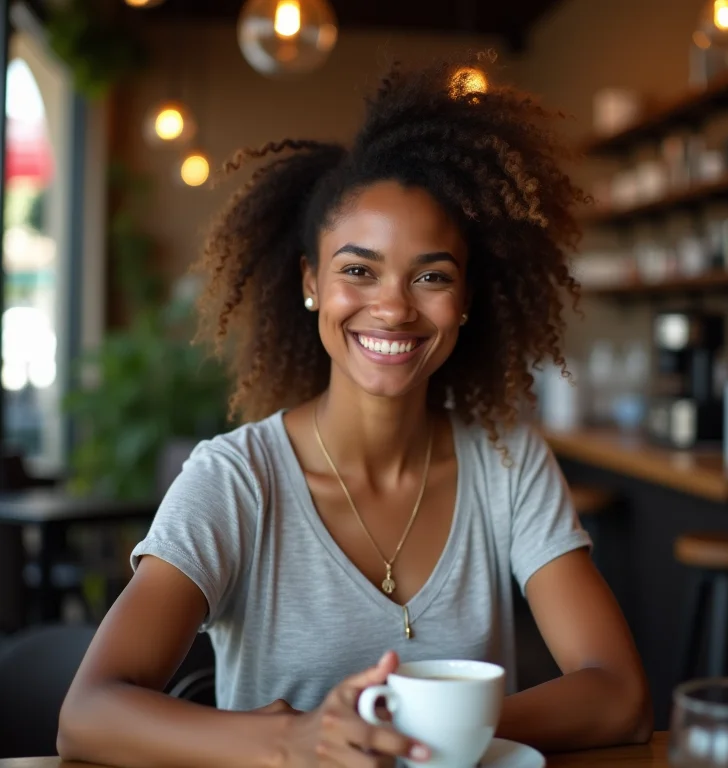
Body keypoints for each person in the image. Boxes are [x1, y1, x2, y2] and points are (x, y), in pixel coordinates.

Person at [58, 55, 652, 768]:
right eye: (358, 270)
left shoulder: (508, 463)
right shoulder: (236, 479)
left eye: (431, 275)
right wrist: (296, 741)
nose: (394, 306)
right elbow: (86, 714)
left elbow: (620, 695)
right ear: (312, 282)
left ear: (464, 301)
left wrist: (432, 732)